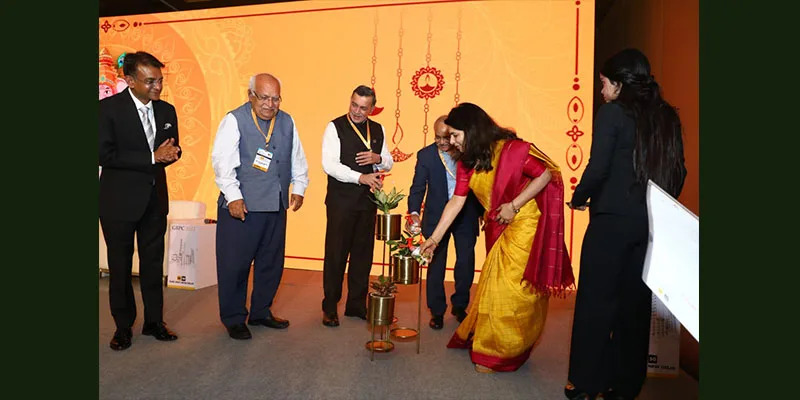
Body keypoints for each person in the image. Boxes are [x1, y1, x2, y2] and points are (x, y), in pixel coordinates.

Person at [564, 48, 687, 400]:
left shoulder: (612, 113)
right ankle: (625, 387)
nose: (601, 91)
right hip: (650, 225)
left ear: (618, 84)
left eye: (603, 84)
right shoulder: (667, 117)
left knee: (596, 303)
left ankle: (587, 385)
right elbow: (680, 171)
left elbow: (598, 167)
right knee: (635, 307)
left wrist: (579, 195)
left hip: (611, 223)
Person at [419, 102, 574, 373]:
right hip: (499, 226)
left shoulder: (512, 150)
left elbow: (546, 174)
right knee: (495, 289)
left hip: (525, 225)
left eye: (455, 135)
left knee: (514, 292)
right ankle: (494, 348)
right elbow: (457, 201)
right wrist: (434, 239)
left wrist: (513, 206)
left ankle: (506, 350)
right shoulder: (467, 161)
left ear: (472, 130)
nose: (452, 141)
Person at [211, 73, 309, 340]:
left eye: (275, 98)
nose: (270, 104)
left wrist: (298, 187)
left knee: (271, 264)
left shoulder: (287, 121)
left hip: (275, 204)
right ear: (250, 95)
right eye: (264, 97)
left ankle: (261, 311)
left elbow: (297, 156)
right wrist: (233, 196)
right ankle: (233, 318)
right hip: (241, 207)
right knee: (235, 265)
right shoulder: (234, 120)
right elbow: (222, 162)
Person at [99, 51, 182, 351]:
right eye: (150, 82)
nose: (157, 87)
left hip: (154, 200)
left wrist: (172, 154)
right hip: (118, 202)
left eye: (160, 80)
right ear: (129, 80)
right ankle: (123, 327)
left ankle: (154, 322)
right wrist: (151, 157)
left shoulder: (167, 110)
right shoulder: (107, 110)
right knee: (119, 267)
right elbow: (103, 155)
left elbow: (173, 149)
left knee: (152, 264)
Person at [320, 85, 393, 327]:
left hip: (367, 202)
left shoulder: (378, 129)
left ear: (372, 108)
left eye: (363, 107)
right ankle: (330, 307)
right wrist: (360, 177)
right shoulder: (335, 127)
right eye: (354, 105)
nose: (357, 111)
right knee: (336, 254)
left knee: (363, 255)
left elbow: (389, 162)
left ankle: (356, 305)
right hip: (341, 201)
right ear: (350, 101)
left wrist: (378, 159)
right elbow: (329, 165)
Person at [406, 115, 483, 330]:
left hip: (466, 215)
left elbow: (480, 185)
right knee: (436, 265)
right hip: (435, 216)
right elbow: (418, 187)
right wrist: (413, 212)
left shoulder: (467, 154)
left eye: (445, 137)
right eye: (437, 137)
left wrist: (484, 212)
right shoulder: (426, 156)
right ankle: (436, 310)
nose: (441, 142)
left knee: (465, 262)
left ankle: (460, 305)